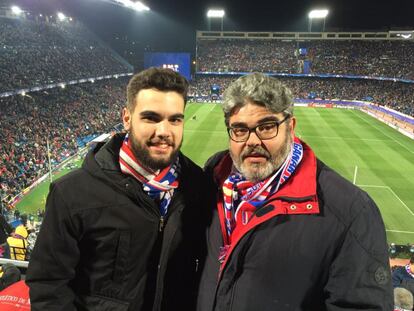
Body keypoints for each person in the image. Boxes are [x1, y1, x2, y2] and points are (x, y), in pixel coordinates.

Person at [197, 73, 393, 310]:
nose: (252, 141)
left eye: (266, 127)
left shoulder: (350, 211)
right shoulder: (213, 181)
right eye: (239, 129)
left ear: (290, 126)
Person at [26, 68, 208, 310]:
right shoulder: (72, 193)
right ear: (127, 118)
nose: (164, 131)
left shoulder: (198, 185)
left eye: (175, 119)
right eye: (151, 118)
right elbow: (48, 286)